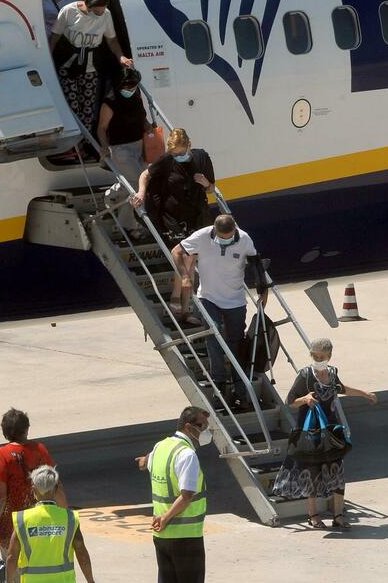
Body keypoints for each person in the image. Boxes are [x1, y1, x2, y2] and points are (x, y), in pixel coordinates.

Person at [271, 339, 376, 529]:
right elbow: (290, 401)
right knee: (312, 473)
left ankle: (338, 516)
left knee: (337, 471)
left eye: (322, 357)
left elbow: (342, 389)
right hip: (311, 431)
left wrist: (365, 394)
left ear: (329, 356)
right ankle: (313, 516)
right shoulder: (305, 375)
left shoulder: (333, 373)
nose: (318, 359)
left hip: (331, 430)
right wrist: (306, 398)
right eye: (315, 356)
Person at [173, 214, 267, 405]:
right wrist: (184, 275)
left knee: (236, 343)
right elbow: (176, 251)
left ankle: (240, 387)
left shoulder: (244, 239)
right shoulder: (202, 236)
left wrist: (263, 290)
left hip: (235, 300)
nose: (226, 241)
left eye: (229, 237)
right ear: (214, 230)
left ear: (235, 231)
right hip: (208, 297)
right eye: (222, 238)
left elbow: (256, 263)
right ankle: (219, 386)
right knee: (214, 337)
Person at [135, 407, 211, 583]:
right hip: (186, 536)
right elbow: (186, 496)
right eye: (202, 426)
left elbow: (145, 462)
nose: (205, 431)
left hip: (162, 536)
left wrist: (144, 461)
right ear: (188, 427)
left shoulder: (160, 446)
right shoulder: (187, 455)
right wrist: (166, 518)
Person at [50, 0, 133, 136]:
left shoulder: (105, 15)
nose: (100, 15)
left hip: (90, 66)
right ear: (87, 4)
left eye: (102, 11)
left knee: (88, 108)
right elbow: (54, 37)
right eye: (96, 12)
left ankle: (86, 143)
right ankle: (73, 142)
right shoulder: (68, 11)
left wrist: (121, 56)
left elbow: (111, 40)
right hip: (68, 63)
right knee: (72, 105)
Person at [0, 409, 66, 556]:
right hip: (39, 526)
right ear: (27, 429)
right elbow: (56, 486)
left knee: (15, 573)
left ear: (5, 432)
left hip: (11, 529)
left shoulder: (2, 455)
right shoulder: (40, 450)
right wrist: (65, 518)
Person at [6, 465, 94, 583]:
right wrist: (90, 581)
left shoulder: (22, 519)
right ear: (56, 488)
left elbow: (12, 556)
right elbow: (81, 552)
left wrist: (9, 581)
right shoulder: (70, 518)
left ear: (33, 488)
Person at [132, 129, 214, 238]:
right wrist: (141, 193)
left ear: (189, 145)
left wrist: (206, 183)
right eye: (174, 154)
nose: (178, 157)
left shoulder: (201, 158)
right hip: (174, 218)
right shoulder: (167, 159)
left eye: (181, 153)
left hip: (197, 214)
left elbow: (211, 189)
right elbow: (145, 175)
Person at [97, 67, 151, 231]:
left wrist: (149, 128)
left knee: (141, 181)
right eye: (128, 87)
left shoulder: (136, 95)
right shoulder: (110, 102)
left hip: (139, 145)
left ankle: (110, 195)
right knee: (136, 186)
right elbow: (102, 128)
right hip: (120, 149)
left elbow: (142, 117)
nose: (131, 90)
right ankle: (127, 226)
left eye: (134, 87)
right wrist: (104, 147)